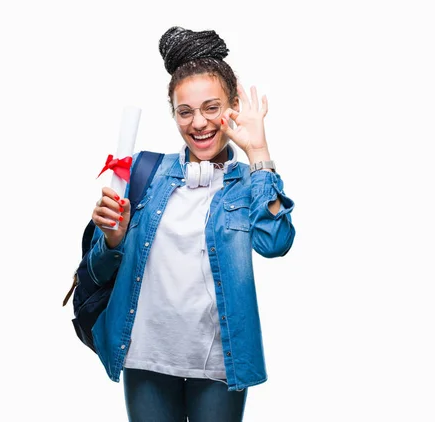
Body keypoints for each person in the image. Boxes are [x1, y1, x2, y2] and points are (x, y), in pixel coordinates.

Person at [87, 26, 295, 422]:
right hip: (147, 356)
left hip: (220, 364)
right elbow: (97, 269)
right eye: (186, 111)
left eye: (211, 107)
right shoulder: (143, 172)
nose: (198, 123)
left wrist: (259, 152)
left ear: (233, 106)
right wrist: (112, 240)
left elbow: (276, 242)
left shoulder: (252, 182)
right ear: (175, 115)